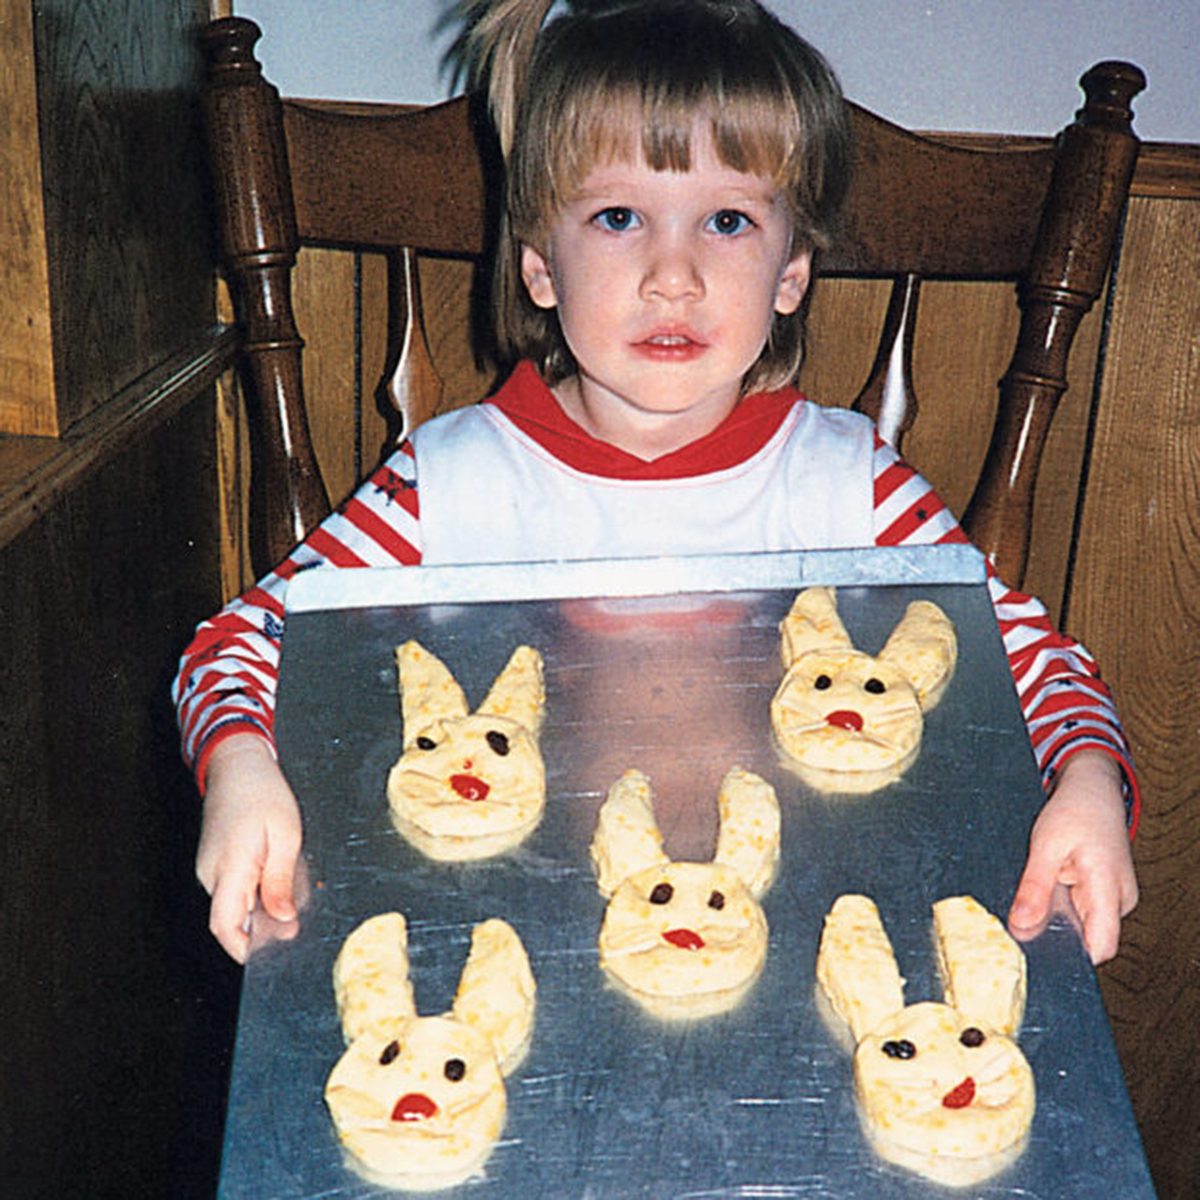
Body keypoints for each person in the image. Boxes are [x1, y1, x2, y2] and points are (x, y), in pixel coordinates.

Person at [175, 0, 1138, 967]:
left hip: (795, 934)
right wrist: (242, 767)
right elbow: (237, 648)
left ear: (792, 272)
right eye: (618, 217)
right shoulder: (448, 483)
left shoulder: (852, 486)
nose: (672, 275)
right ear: (540, 266)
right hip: (509, 928)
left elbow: (1033, 661)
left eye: (727, 220)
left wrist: (1090, 778)